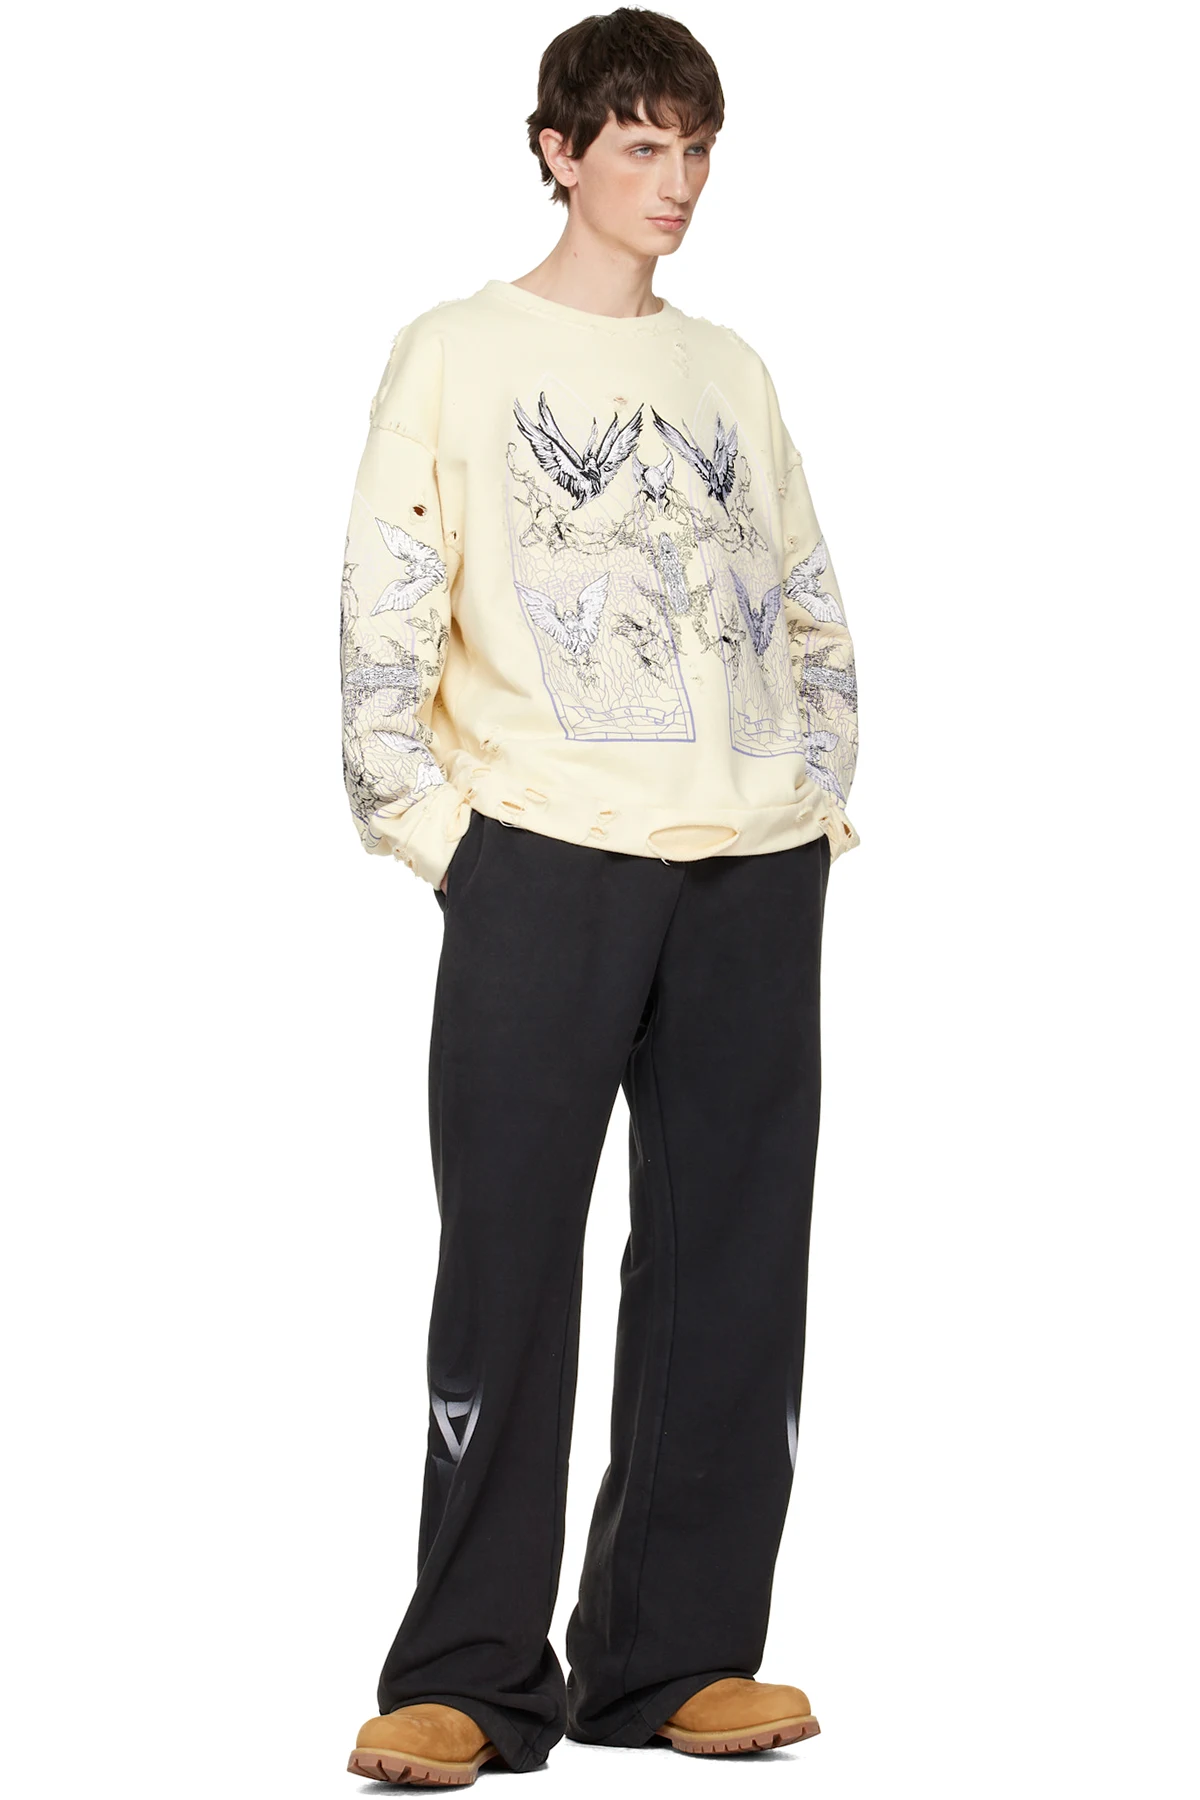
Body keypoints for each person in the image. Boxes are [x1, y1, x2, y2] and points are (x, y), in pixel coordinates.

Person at [339, 7, 860, 1784]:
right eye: (641, 146)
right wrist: (444, 838)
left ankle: (674, 1658)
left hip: (749, 866)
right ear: (558, 152)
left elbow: (806, 595)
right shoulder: (455, 352)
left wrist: (808, 791)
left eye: (696, 148)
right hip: (541, 858)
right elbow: (387, 607)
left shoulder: (731, 368)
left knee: (733, 1271)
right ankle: (469, 1673)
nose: (677, 180)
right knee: (508, 1264)